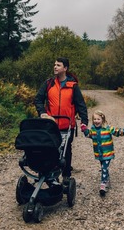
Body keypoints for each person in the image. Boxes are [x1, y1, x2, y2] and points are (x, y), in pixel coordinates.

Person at [34, 57, 88, 185]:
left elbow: (81, 105)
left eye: (58, 65)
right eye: (54, 64)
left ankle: (66, 175)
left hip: (67, 124)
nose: (55, 67)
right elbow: (38, 99)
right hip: (50, 125)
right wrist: (42, 113)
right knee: (49, 149)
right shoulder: (48, 84)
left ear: (65, 68)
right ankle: (49, 173)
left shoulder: (73, 86)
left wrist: (84, 122)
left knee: (66, 150)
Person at [81, 110, 124, 196]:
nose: (96, 121)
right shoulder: (93, 129)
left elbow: (118, 132)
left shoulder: (108, 128)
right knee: (103, 167)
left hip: (107, 153)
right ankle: (107, 180)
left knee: (104, 168)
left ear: (102, 120)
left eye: (98, 119)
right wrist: (84, 129)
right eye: (95, 119)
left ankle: (103, 185)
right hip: (99, 153)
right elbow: (89, 135)